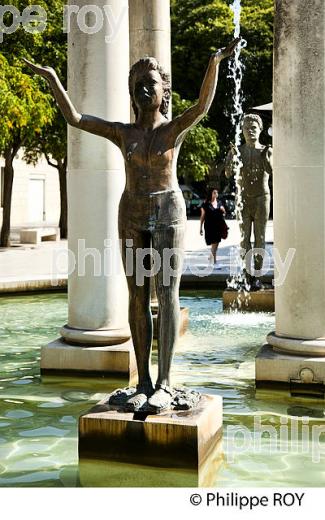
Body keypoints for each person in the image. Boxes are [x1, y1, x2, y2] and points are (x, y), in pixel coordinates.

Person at [24, 38, 239, 413]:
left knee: (168, 294)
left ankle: (166, 381)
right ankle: (141, 381)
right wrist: (53, 78)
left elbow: (203, 106)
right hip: (132, 214)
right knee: (137, 296)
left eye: (150, 82)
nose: (144, 87)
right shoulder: (124, 133)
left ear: (163, 91)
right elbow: (76, 119)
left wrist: (215, 60)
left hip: (169, 214)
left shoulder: (173, 130)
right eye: (137, 82)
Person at [225, 113, 273, 289]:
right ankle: (246, 273)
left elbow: (272, 171)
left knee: (260, 238)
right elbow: (228, 174)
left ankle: (258, 276)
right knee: (244, 239)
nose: (250, 131)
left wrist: (267, 158)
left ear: (260, 130)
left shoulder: (267, 150)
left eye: (253, 128)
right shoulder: (239, 151)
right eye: (246, 128)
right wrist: (232, 158)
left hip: (261, 198)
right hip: (243, 199)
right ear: (242, 131)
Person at [200, 188, 226, 265]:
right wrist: (200, 228)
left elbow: (224, 213)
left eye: (217, 193)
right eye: (214, 193)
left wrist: (222, 210)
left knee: (216, 244)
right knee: (214, 244)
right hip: (209, 227)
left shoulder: (219, 203)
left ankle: (211, 257)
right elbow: (202, 216)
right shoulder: (205, 204)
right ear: (211, 194)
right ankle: (214, 262)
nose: (216, 194)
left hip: (218, 226)